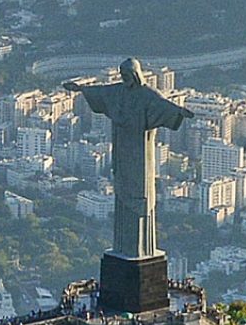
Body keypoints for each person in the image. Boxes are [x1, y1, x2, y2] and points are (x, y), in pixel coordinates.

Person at [63, 59, 194, 259]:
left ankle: (141, 248)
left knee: (139, 191)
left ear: (136, 75)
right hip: (122, 148)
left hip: (140, 153)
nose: (124, 79)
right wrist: (80, 88)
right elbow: (101, 92)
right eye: (122, 76)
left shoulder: (147, 95)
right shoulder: (118, 91)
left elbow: (163, 106)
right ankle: (123, 247)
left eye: (127, 76)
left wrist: (179, 112)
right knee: (122, 188)